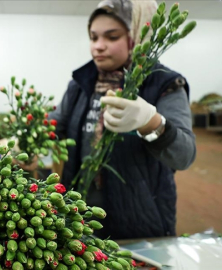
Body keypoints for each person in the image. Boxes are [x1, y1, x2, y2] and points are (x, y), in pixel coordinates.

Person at [50, 0, 196, 239]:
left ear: (139, 33)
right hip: (78, 214)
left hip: (137, 220)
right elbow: (58, 122)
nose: (98, 46)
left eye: (112, 37)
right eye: (93, 37)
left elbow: (184, 155)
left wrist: (151, 122)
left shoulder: (163, 84)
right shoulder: (81, 83)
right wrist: (30, 135)